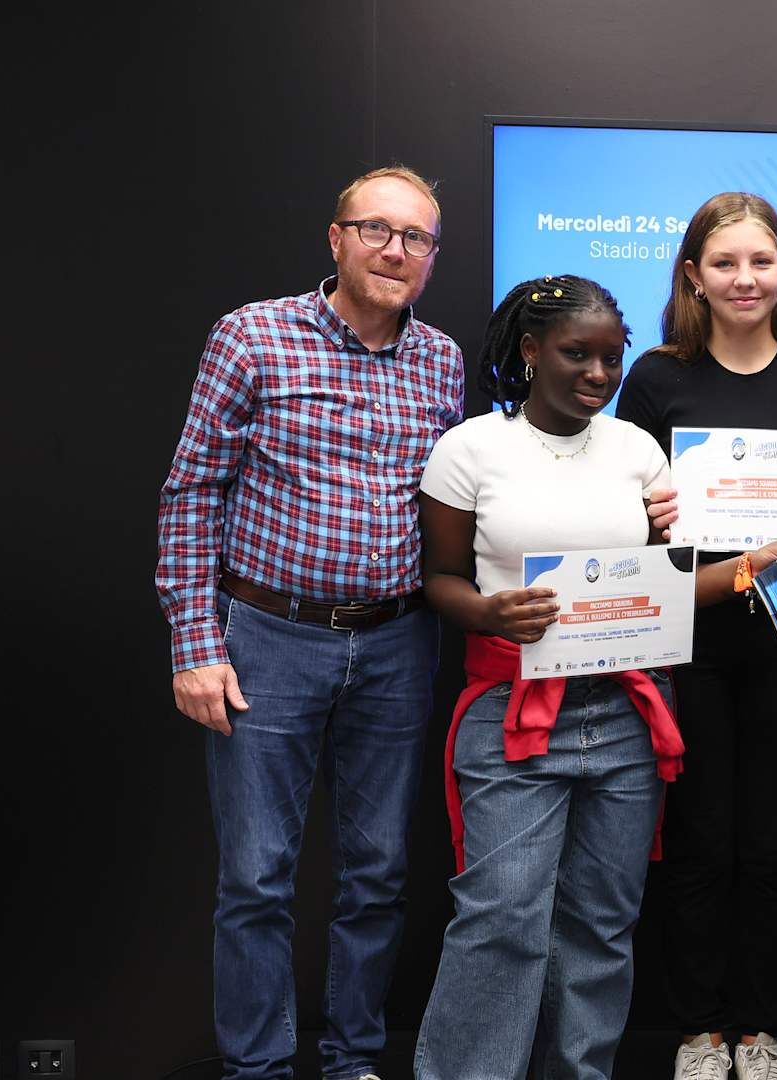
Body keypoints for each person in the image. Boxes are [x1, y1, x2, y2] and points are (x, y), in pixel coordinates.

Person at [156, 165, 460, 1080]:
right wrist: (194, 645)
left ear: (431, 256)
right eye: (376, 230)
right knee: (256, 877)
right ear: (336, 239)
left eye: (415, 238)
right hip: (267, 640)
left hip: (399, 641)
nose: (395, 251)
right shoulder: (253, 336)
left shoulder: (442, 360)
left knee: (378, 874)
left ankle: (353, 1060)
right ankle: (256, 1068)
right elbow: (191, 494)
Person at [618, 192, 777, 1080]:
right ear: (693, 275)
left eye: (761, 261)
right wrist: (649, 514)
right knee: (697, 841)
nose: (744, 279)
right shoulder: (655, 379)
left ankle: (760, 1028)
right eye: (724, 263)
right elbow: (628, 519)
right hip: (689, 641)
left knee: (770, 843)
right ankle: (698, 1031)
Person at [411, 275, 682, 1079]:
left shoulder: (638, 451)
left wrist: (753, 559)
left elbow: (658, 583)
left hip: (627, 715)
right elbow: (440, 579)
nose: (598, 374)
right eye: (576, 354)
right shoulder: (469, 448)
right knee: (501, 919)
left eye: (611, 358)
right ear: (531, 351)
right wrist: (488, 613)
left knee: (601, 924)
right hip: (513, 711)